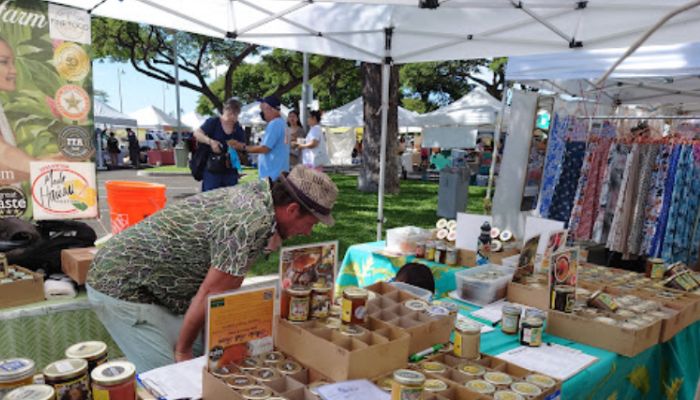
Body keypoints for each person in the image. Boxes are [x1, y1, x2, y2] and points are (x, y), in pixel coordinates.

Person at [86, 165, 339, 372]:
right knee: (170, 379)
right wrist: (182, 351)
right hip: (121, 284)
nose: (308, 232)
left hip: (159, 287)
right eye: (311, 223)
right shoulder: (249, 223)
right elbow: (211, 294)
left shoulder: (263, 198)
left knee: (205, 357)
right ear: (292, 209)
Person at [229, 96, 289, 180]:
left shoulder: (274, 124)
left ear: (270, 109)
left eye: (263, 110)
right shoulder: (282, 123)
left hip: (272, 175)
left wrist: (242, 147)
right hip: (277, 173)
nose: (261, 113)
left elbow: (264, 148)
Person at [193, 98, 245, 191]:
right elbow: (197, 134)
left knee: (230, 198)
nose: (233, 117)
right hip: (212, 168)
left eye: (236, 114)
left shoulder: (238, 127)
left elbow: (243, 145)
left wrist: (236, 145)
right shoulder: (213, 122)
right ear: (225, 110)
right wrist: (211, 142)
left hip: (230, 169)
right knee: (210, 198)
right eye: (230, 114)